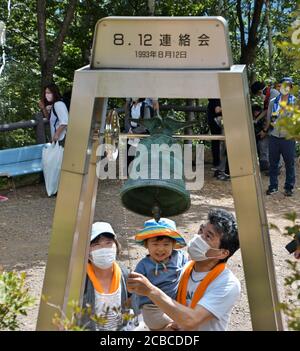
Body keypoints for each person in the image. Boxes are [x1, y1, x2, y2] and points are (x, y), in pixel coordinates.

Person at [128, 209, 241, 331]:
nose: (199, 237)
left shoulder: (226, 284)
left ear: (222, 253)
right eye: (201, 230)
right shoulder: (183, 268)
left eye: (208, 236)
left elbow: (191, 321)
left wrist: (151, 291)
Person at [132, 218, 188, 330]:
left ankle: (167, 328)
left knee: (187, 317)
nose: (161, 249)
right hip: (152, 307)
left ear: (173, 244)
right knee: (159, 321)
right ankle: (165, 328)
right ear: (146, 245)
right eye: (155, 244)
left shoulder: (179, 257)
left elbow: (191, 264)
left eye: (166, 244)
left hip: (173, 303)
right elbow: (134, 286)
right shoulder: (143, 265)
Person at [81, 221, 134, 331]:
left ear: (116, 245)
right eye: (96, 245)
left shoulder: (125, 275)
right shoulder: (81, 278)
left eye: (108, 243)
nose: (104, 248)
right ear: (87, 251)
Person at [265, 77, 297, 196]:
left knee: (289, 163)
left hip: (288, 137)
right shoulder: (273, 101)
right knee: (273, 163)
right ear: (279, 86)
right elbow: (268, 118)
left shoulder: (294, 102)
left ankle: (289, 187)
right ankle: (273, 186)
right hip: (273, 136)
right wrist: (265, 130)